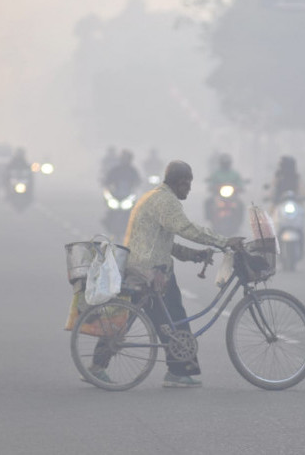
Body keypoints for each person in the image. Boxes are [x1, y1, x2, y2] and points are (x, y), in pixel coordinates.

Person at [93, 160, 243, 388]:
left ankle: (100, 366)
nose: (190, 189)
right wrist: (224, 241)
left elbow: (164, 241)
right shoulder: (166, 201)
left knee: (150, 319)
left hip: (141, 267)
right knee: (173, 319)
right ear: (181, 183)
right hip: (151, 273)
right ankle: (178, 371)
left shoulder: (153, 196)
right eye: (188, 184)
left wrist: (194, 255)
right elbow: (186, 228)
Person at [205, 153, 245, 220]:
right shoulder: (216, 173)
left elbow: (240, 184)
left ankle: (239, 219)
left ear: (230, 164)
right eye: (224, 163)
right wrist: (213, 187)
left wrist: (239, 188)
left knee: (241, 204)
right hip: (218, 196)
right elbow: (211, 183)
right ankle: (209, 218)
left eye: (227, 163)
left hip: (233, 196)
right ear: (221, 163)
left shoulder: (235, 174)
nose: (225, 165)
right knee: (208, 202)